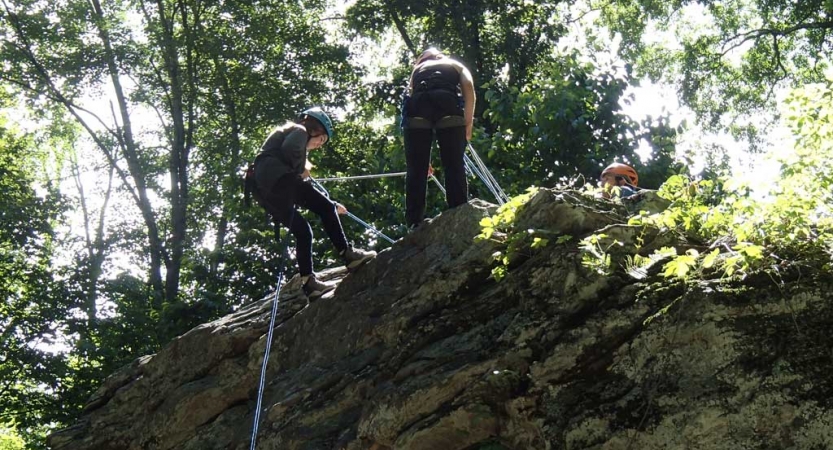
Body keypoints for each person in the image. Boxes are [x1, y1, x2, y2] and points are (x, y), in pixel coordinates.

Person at [252, 107, 376, 299]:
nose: (320, 144)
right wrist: (301, 169)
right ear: (314, 128)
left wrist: (332, 205)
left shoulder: (286, 137)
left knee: (303, 231)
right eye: (322, 138)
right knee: (324, 208)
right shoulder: (300, 130)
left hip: (266, 190)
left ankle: (309, 284)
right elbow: (291, 150)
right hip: (280, 178)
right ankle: (348, 255)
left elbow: (307, 191)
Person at [401, 47, 476, 230]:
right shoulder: (454, 64)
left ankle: (414, 222)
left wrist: (419, 156)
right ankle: (458, 211)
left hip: (418, 106)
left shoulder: (418, 68)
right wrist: (467, 122)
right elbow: (468, 88)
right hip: (447, 103)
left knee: (416, 170)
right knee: (454, 164)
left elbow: (410, 94)